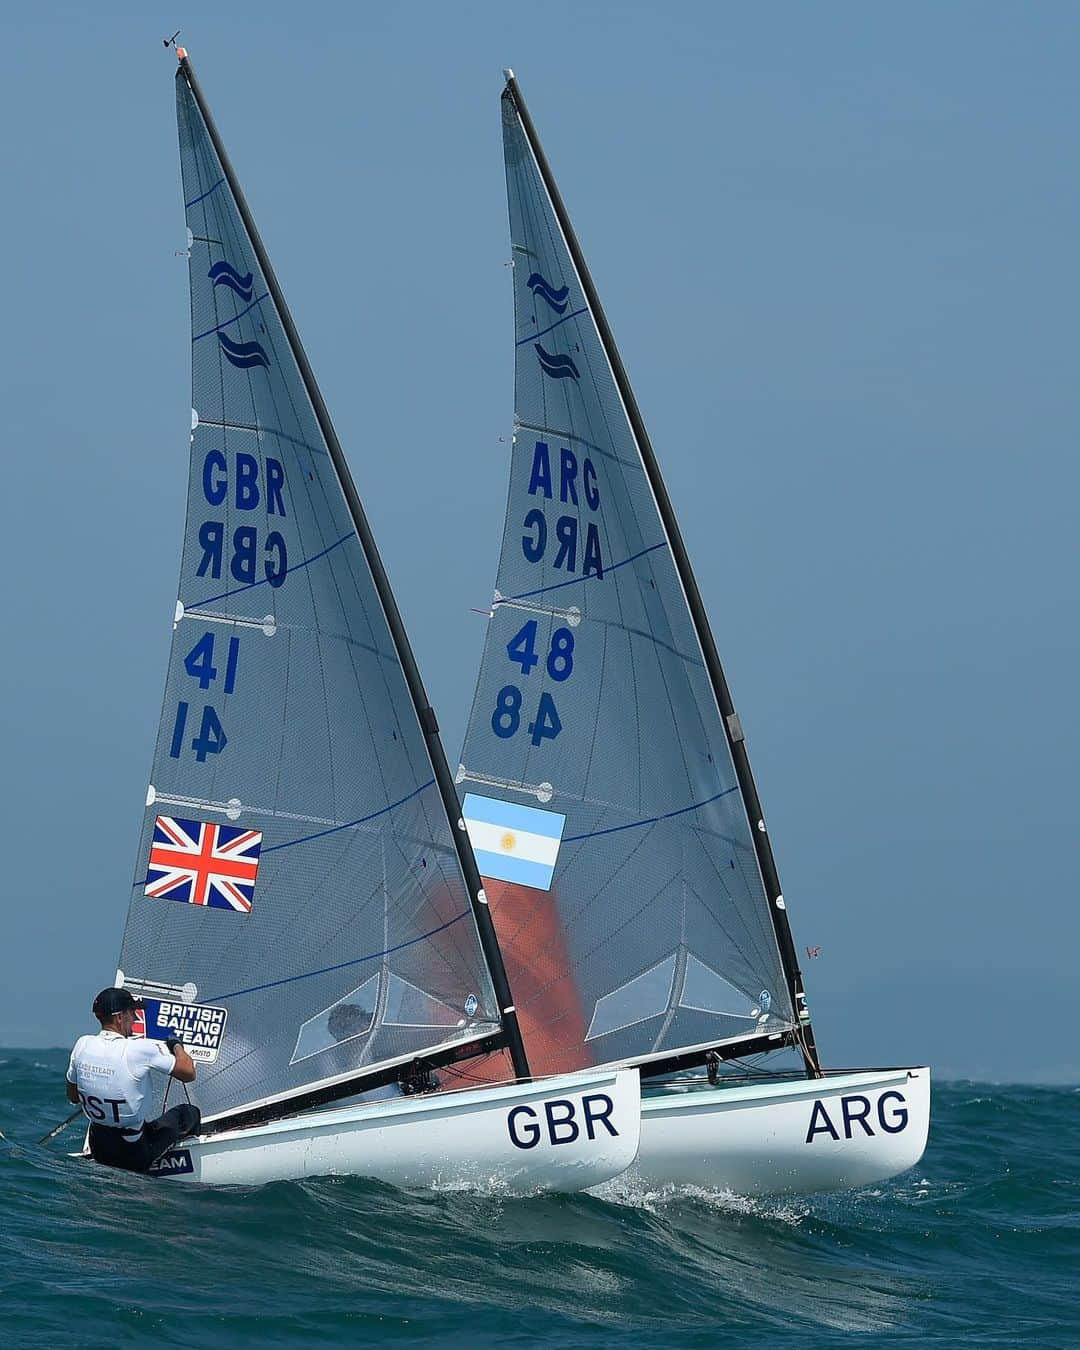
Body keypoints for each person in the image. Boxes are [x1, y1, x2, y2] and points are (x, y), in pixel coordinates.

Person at [66, 987, 202, 1173]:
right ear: (120, 1017)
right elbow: (188, 1073)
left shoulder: (82, 1044)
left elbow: (73, 1097)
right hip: (133, 1155)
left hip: (99, 1148)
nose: (136, 1018)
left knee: (128, 1128)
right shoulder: (138, 1049)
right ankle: (184, 1164)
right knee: (188, 1113)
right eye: (133, 1012)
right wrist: (176, 1046)